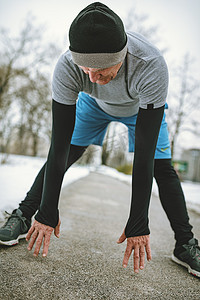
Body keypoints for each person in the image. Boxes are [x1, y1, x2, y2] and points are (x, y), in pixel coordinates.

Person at [0, 2, 199, 277]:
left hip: (141, 108)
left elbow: (143, 158)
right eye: (86, 69)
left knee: (162, 167)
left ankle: (186, 244)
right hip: (94, 107)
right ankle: (23, 216)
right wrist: (47, 212)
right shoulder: (67, 68)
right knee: (68, 152)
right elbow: (57, 147)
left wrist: (138, 222)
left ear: (123, 53)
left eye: (102, 68)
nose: (93, 77)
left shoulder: (151, 65)